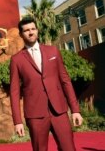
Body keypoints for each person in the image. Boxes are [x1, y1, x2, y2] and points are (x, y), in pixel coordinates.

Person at [9, 17, 83, 151]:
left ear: (37, 30)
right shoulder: (16, 60)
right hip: (35, 114)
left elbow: (65, 81)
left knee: (68, 148)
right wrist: (17, 121)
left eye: (33, 29)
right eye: (26, 30)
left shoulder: (53, 51)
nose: (30, 32)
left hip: (59, 111)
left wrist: (75, 110)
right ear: (21, 34)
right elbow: (14, 92)